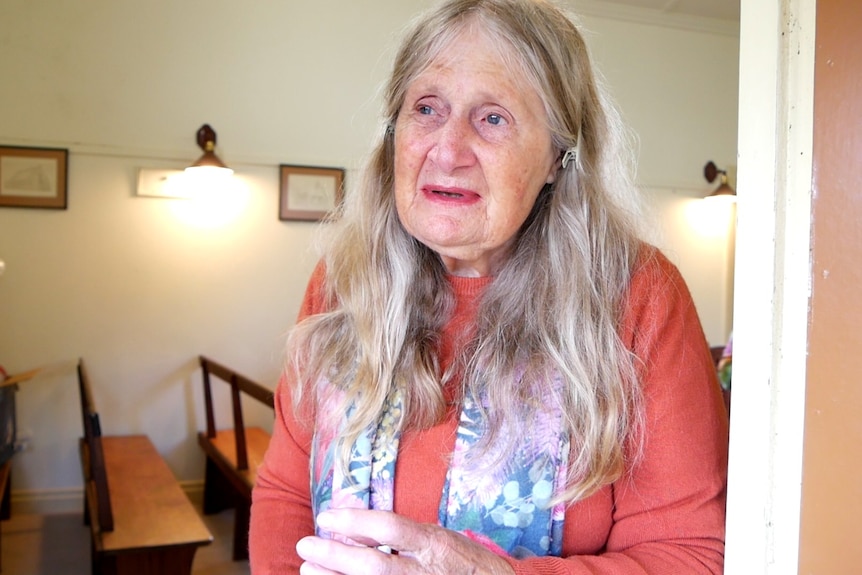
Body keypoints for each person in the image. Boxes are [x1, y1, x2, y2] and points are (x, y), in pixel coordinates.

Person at [249, 0, 729, 573]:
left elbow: (690, 554)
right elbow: (286, 495)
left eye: (492, 118)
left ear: (557, 156)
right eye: (426, 109)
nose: (447, 151)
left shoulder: (638, 297)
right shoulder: (344, 282)